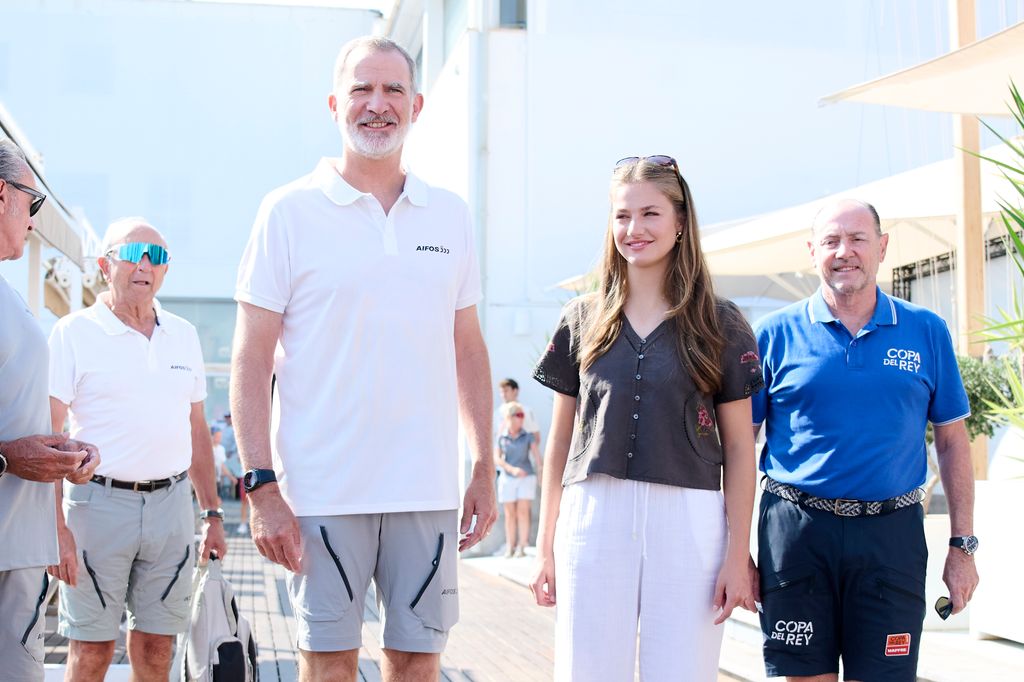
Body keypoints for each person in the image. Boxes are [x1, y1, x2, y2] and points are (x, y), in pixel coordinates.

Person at [231, 36, 497, 682]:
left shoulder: (451, 217)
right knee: (328, 664)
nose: (377, 105)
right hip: (321, 493)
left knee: (415, 663)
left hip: (426, 488)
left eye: (392, 90)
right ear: (334, 104)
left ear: (417, 105)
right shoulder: (287, 212)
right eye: (361, 90)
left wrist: (485, 465)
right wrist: (261, 485)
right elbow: (249, 359)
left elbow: (468, 350)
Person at [531, 155, 763, 680]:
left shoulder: (719, 322)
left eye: (650, 214)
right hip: (593, 516)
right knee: (587, 672)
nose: (634, 229)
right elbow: (561, 442)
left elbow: (742, 450)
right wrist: (545, 546)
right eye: (621, 216)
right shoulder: (581, 319)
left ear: (681, 223)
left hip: (691, 520)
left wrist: (736, 553)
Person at [752, 198, 978, 682]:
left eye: (857, 239)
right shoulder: (772, 335)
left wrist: (963, 546)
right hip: (795, 533)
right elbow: (735, 445)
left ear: (882, 247)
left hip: (890, 535)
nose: (844, 251)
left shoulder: (927, 331)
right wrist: (732, 553)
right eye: (831, 241)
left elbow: (953, 442)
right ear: (812, 252)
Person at [47, 217, 227, 681]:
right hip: (97, 509)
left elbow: (196, 429)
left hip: (171, 508)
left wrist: (212, 514)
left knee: (156, 649)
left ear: (165, 272)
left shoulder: (183, 334)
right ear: (106, 266)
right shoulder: (73, 333)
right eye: (133, 254)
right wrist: (56, 529)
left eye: (158, 257)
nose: (146, 265)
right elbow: (46, 435)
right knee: (91, 652)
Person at [0, 138, 100, 682]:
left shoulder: (9, 293)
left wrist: (59, 448)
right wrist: (10, 459)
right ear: (0, 194)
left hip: (17, 553)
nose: (35, 221)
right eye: (32, 203)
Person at [494, 401, 542, 558]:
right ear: (509, 417)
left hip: (526, 477)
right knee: (509, 514)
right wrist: (511, 469)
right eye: (519, 415)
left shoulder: (528, 436)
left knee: (523, 512)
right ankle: (510, 546)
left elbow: (536, 457)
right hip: (507, 478)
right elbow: (497, 458)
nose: (522, 418)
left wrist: (541, 473)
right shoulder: (501, 437)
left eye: (523, 415)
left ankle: (522, 546)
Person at [495, 378, 541, 446]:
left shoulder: (527, 411)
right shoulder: (497, 413)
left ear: (515, 391)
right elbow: (495, 439)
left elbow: (536, 437)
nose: (503, 395)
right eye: (501, 392)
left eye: (506, 391)